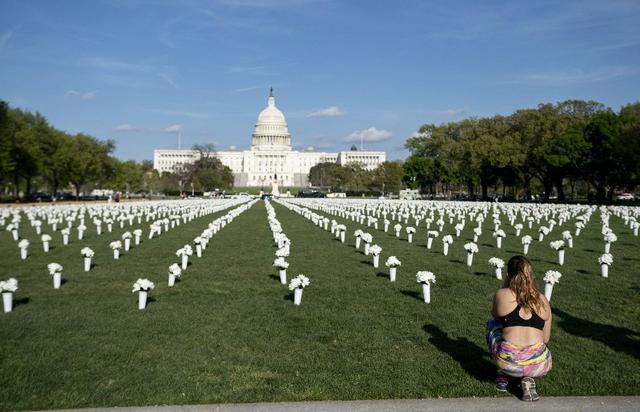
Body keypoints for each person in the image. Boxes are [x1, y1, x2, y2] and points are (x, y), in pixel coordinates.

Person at [486, 256, 552, 401]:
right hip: (541, 363)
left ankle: (503, 375)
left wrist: (506, 284)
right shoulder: (542, 300)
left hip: (509, 362)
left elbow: (496, 317)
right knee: (536, 343)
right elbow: (546, 339)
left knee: (492, 325)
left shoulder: (502, 294)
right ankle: (528, 378)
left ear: (508, 275)